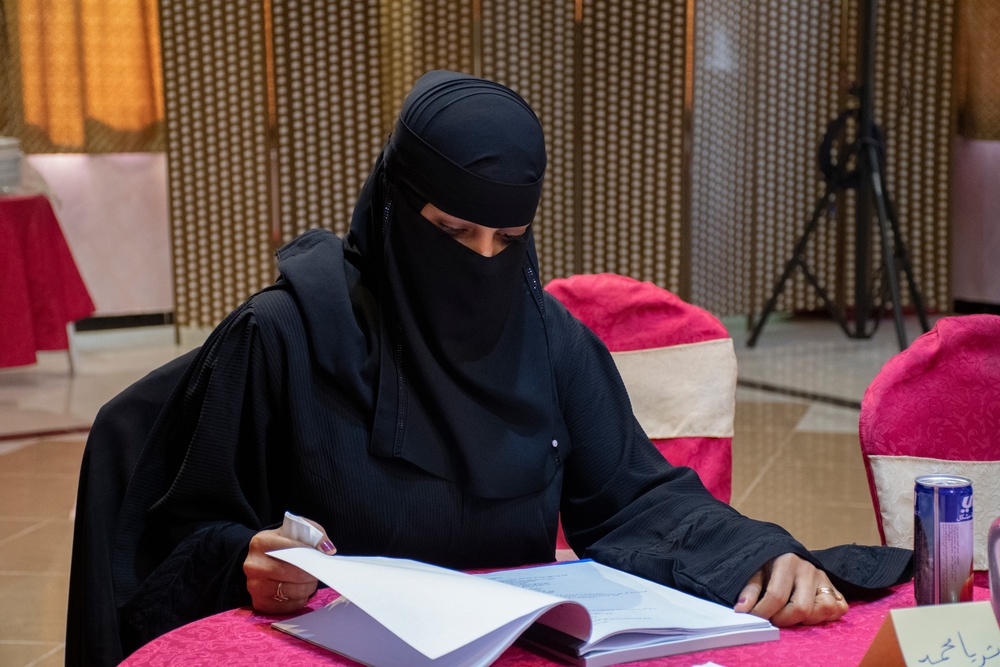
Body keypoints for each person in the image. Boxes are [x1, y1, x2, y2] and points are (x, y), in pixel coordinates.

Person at [66, 70, 912, 666]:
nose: (480, 261)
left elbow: (631, 497)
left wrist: (757, 555)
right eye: (449, 231)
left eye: (506, 241)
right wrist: (245, 560)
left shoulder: (545, 338)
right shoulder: (285, 337)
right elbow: (179, 536)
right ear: (394, 207)